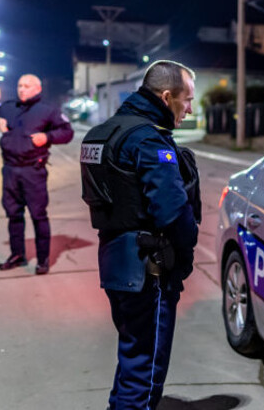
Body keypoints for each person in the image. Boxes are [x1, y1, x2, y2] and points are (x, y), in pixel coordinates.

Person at [80, 60, 200, 409]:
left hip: (116, 265)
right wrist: (185, 254)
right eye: (187, 100)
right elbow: (173, 211)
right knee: (145, 374)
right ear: (166, 97)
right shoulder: (148, 139)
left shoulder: (102, 133)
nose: (190, 108)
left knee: (132, 359)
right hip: (149, 270)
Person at [0, 74, 74, 274]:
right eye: (20, 85)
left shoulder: (48, 111)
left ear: (37, 89)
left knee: (38, 216)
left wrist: (47, 137)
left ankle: (42, 259)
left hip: (33, 171)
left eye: (27, 86)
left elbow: (67, 132)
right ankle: (17, 255)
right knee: (13, 215)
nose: (22, 89)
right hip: (10, 170)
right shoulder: (7, 107)